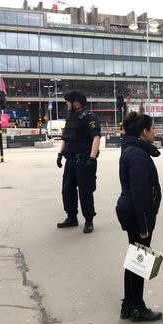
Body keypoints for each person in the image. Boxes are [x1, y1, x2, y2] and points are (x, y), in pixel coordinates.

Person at [115, 111, 163, 322]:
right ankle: (137, 307)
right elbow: (141, 193)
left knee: (134, 258)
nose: (155, 131)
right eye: (153, 128)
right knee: (139, 261)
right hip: (137, 215)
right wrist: (145, 224)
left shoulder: (132, 150)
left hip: (131, 212)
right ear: (144, 132)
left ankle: (128, 305)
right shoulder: (137, 155)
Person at [56, 90, 101, 234]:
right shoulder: (70, 118)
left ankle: (89, 220)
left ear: (76, 102)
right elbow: (66, 138)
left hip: (84, 161)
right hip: (70, 161)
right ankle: (71, 217)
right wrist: (60, 153)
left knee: (85, 192)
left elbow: (96, 137)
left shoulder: (90, 117)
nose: (67, 104)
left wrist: (92, 158)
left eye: (68, 102)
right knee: (67, 190)